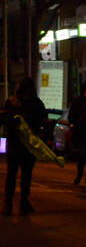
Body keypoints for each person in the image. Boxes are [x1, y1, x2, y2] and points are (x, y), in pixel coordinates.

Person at [3, 77, 47, 215]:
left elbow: (4, 119)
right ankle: (20, 202)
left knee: (14, 173)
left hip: (18, 144)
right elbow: (42, 119)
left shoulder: (13, 101)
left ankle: (11, 203)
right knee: (23, 174)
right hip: (25, 144)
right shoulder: (35, 102)